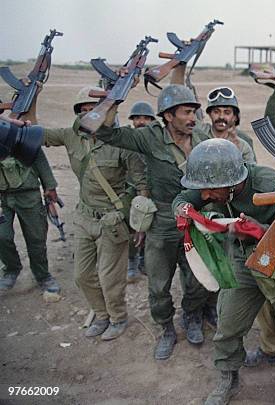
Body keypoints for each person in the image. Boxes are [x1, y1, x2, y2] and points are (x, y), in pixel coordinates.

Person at [172, 139, 275, 405]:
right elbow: (185, 198)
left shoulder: (271, 186)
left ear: (232, 184)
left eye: (209, 191)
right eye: (201, 191)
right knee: (228, 324)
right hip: (242, 261)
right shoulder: (211, 183)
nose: (204, 196)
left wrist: (263, 232)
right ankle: (228, 375)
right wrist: (182, 210)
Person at [91, 84, 216, 359]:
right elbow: (105, 133)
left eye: (194, 110)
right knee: (158, 285)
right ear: (168, 116)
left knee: (197, 279)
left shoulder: (203, 136)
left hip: (196, 220)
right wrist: (112, 102)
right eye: (186, 111)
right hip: (162, 223)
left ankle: (192, 316)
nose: (193, 117)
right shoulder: (149, 137)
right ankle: (166, 328)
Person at [41, 86, 147, 341]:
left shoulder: (122, 143)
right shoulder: (70, 136)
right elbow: (36, 133)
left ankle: (118, 317)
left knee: (110, 279)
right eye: (84, 111)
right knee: (82, 275)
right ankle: (101, 315)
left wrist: (138, 222)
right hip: (84, 217)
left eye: (95, 110)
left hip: (112, 221)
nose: (89, 115)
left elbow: (141, 185)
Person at [0, 146, 60, 294]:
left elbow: (39, 158)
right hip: (2, 198)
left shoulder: (22, 135)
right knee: (2, 235)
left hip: (29, 195)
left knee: (36, 237)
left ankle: (42, 275)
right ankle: (12, 269)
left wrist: (50, 186)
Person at [125, 101, 156, 283]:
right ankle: (132, 260)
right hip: (131, 193)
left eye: (146, 118)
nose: (141, 121)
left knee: (150, 229)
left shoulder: (157, 142)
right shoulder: (127, 141)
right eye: (137, 118)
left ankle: (144, 259)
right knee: (132, 230)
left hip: (153, 192)